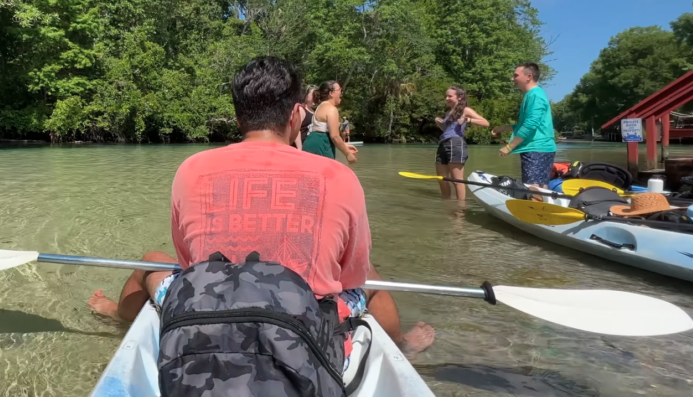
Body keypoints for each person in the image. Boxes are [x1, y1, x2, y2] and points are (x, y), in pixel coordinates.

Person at [88, 57, 434, 356]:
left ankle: (118, 315)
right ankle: (402, 346)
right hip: (303, 328)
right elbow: (351, 273)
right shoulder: (339, 177)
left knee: (151, 261)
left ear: (238, 118)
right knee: (370, 275)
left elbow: (189, 262)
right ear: (296, 115)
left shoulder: (191, 169)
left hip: (209, 315)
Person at [491, 62, 557, 191]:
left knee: (534, 188)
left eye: (515, 75)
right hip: (536, 149)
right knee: (536, 187)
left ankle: (536, 210)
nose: (512, 79)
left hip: (538, 149)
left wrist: (510, 146)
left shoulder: (535, 96)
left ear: (529, 76)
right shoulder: (532, 95)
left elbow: (530, 125)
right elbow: (527, 123)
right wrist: (504, 128)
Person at [435, 86, 489, 200]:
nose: (446, 98)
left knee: (457, 181)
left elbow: (485, 123)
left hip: (456, 144)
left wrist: (468, 120)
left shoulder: (465, 110)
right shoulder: (448, 112)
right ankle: (446, 205)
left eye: (450, 96)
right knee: (442, 179)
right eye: (446, 96)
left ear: (459, 97)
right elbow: (449, 131)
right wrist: (440, 124)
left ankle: (460, 210)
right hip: (443, 143)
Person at [302, 80, 358, 164]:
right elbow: (334, 136)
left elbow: (322, 130)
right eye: (339, 90)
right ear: (331, 93)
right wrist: (348, 154)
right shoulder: (331, 109)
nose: (341, 93)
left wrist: (345, 146)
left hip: (310, 144)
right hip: (321, 146)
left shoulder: (320, 107)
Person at [291, 86, 316, 150]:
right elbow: (296, 129)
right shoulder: (302, 109)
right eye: (313, 94)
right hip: (300, 147)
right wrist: (300, 148)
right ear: (306, 95)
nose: (315, 96)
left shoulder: (315, 111)